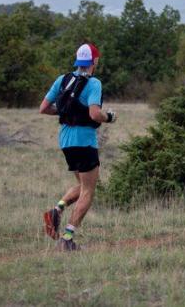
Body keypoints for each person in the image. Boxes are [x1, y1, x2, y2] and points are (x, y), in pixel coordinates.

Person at [39, 42, 116, 251]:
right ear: (95, 61)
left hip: (65, 141)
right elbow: (94, 114)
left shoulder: (62, 79)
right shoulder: (94, 83)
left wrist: (66, 113)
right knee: (89, 191)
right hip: (84, 141)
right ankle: (67, 238)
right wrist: (109, 117)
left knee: (82, 185)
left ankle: (56, 210)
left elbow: (43, 108)